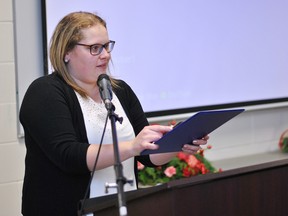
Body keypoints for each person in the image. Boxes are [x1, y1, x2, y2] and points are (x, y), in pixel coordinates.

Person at [20, 11, 209, 216]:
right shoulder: (45, 92)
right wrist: (131, 147)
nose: (106, 54)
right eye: (95, 48)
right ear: (66, 52)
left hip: (121, 208)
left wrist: (180, 141)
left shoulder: (120, 90)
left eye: (107, 46)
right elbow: (69, 156)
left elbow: (147, 156)